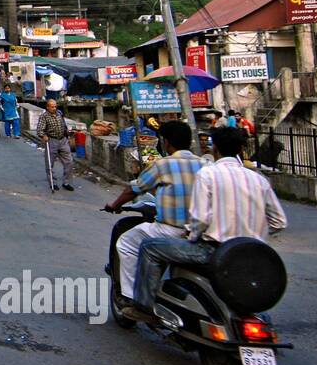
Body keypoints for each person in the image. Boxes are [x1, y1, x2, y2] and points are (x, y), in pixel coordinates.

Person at [129, 126, 287, 320]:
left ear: (215, 150)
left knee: (149, 247)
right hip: (251, 253)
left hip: (212, 250)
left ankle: (143, 307)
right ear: (239, 150)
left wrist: (192, 236)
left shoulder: (208, 174)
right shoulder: (259, 180)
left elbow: (201, 219)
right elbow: (279, 222)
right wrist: (255, 234)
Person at [104, 121, 204, 304]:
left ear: (167, 143)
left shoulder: (163, 165)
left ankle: (129, 297)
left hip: (171, 230)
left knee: (126, 243)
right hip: (198, 233)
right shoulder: (204, 165)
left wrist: (114, 205)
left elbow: (134, 189)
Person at [37, 98, 73, 190]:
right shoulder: (44, 116)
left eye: (55, 106)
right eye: (52, 107)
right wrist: (43, 136)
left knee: (69, 162)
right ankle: (53, 183)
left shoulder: (59, 114)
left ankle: (66, 182)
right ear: (48, 107)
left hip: (63, 140)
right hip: (52, 141)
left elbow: (64, 125)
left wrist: (67, 135)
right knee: (50, 164)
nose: (54, 108)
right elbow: (40, 130)